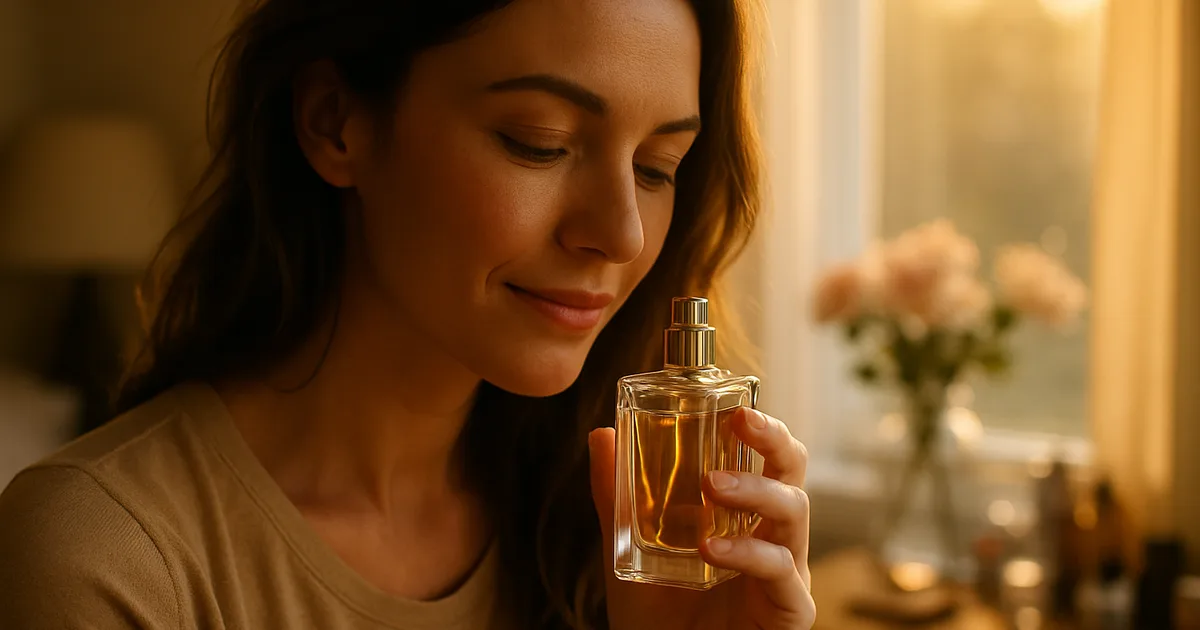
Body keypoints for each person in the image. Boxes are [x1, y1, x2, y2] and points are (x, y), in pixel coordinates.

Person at [0, 0, 816, 628]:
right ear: (335, 122)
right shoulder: (105, 560)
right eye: (540, 141)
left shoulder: (610, 534)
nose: (620, 234)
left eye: (656, 165)